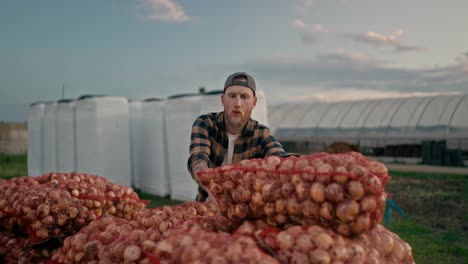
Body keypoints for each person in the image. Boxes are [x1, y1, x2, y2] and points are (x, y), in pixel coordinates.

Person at [187, 72, 291, 202]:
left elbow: (279, 157)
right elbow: (198, 157)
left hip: (243, 210)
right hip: (207, 206)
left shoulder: (260, 134)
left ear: (254, 102)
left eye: (244, 97)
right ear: (223, 100)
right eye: (232, 96)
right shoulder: (205, 124)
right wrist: (210, 186)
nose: (238, 103)